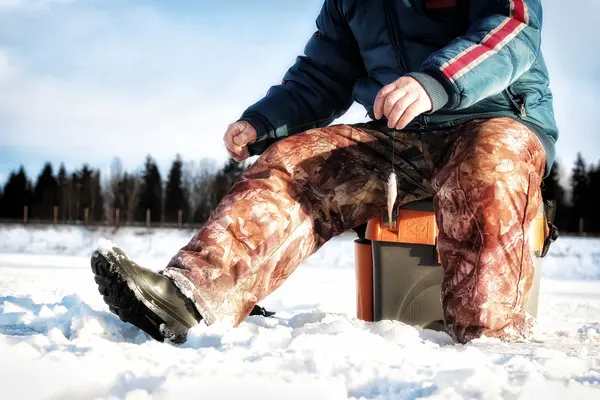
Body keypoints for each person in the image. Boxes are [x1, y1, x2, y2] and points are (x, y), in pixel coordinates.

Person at [91, 0, 557, 344]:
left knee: (488, 163)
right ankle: (192, 298)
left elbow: (512, 29)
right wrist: (264, 121)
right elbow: (322, 75)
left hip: (494, 124)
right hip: (398, 136)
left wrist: (433, 82)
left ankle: (489, 344)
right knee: (295, 162)